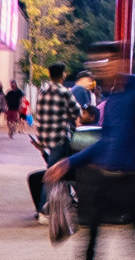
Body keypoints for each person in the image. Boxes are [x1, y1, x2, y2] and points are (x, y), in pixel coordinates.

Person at [42, 43, 135, 259]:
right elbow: (106, 141)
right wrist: (67, 163)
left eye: (107, 61)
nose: (102, 67)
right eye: (97, 63)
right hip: (104, 176)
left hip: (127, 178)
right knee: (93, 238)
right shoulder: (112, 97)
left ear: (120, 62)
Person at [28, 63, 84, 216]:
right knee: (55, 173)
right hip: (58, 137)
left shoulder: (43, 91)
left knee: (57, 169)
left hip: (43, 136)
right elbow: (77, 112)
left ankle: (62, 202)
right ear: (63, 75)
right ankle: (43, 209)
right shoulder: (64, 92)